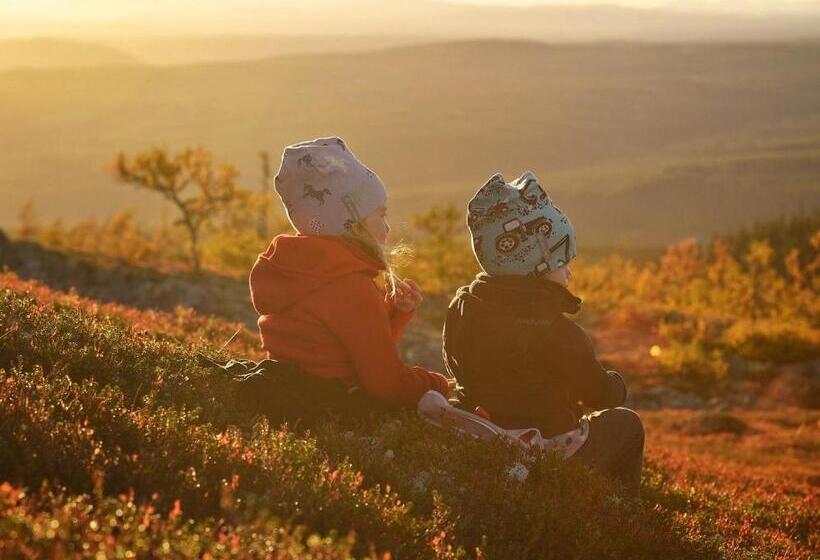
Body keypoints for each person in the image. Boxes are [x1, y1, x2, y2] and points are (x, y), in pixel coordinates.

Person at [442, 172, 645, 496]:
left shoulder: (463, 307)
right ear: (536, 263)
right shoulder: (556, 330)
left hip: (488, 436)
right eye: (562, 260)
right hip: (546, 454)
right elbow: (597, 393)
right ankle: (617, 505)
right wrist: (616, 385)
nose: (569, 271)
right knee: (626, 424)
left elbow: (456, 368)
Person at [249, 137, 453, 409]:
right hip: (339, 410)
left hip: (295, 406)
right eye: (381, 215)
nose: (387, 227)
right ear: (353, 224)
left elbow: (346, 351)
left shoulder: (302, 270)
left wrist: (393, 314)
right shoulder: (349, 286)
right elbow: (387, 384)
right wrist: (439, 384)